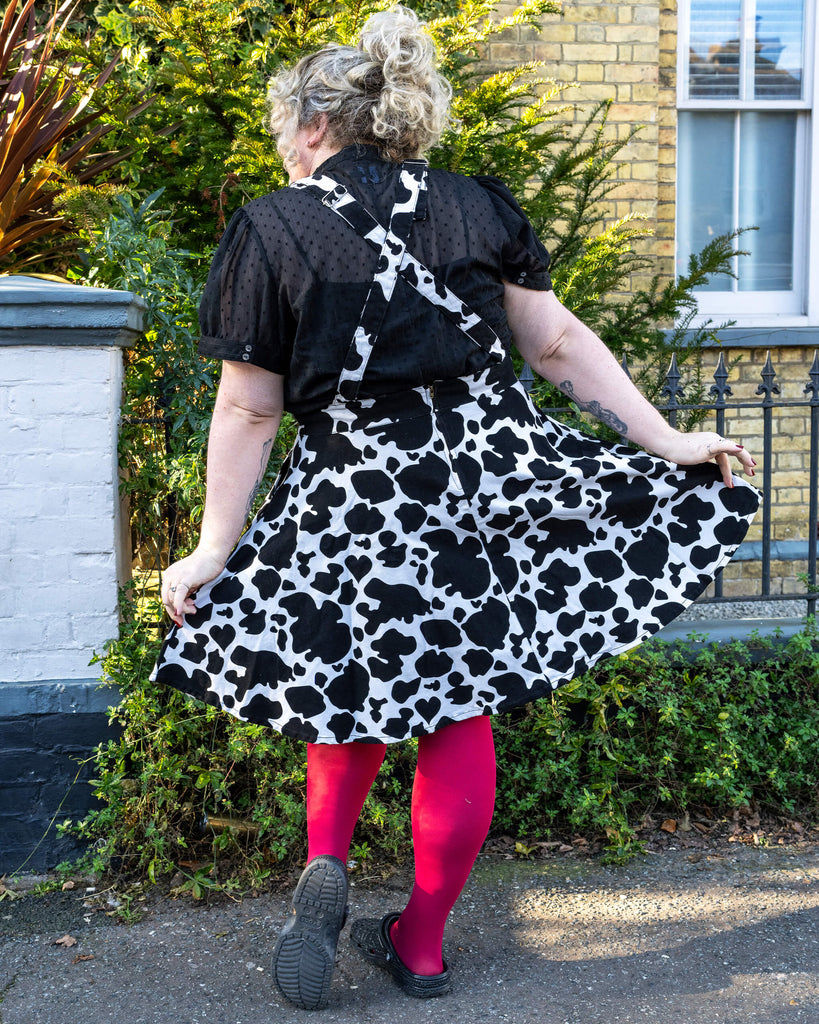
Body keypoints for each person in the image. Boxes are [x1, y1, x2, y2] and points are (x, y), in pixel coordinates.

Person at [151, 6, 760, 1011]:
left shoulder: (273, 227)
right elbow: (556, 344)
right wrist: (671, 441)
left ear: (315, 126)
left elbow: (249, 407)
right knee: (458, 700)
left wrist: (215, 543)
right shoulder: (477, 208)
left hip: (352, 485)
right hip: (481, 481)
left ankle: (328, 857)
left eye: (280, 133)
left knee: (343, 679)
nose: (279, 152)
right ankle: (422, 946)